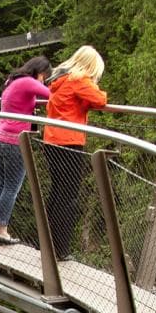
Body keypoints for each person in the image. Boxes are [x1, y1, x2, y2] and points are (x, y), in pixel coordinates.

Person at [42, 46, 107, 260]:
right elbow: (99, 100)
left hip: (51, 140)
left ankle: (49, 244)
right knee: (68, 196)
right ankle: (60, 249)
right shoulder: (79, 79)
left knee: (57, 192)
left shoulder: (60, 79)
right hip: (69, 142)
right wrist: (95, 88)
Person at [0, 55, 52, 245]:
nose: (43, 80)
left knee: (2, 184)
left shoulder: (11, 81)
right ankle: (2, 229)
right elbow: (51, 95)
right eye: (44, 77)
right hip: (14, 140)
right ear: (39, 72)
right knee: (12, 187)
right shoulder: (28, 82)